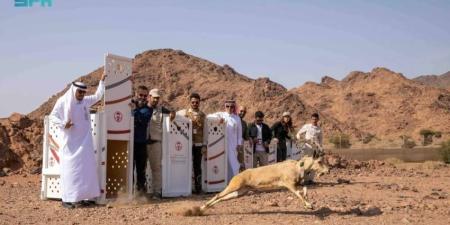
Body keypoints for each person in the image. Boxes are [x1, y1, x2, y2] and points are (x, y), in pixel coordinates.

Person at [49, 73, 106, 209]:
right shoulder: (63, 101)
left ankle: (83, 197)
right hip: (70, 145)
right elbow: (52, 116)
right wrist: (64, 124)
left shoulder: (85, 101)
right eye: (80, 92)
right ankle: (66, 199)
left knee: (85, 171)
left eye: (83, 92)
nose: (81, 94)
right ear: (74, 90)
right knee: (70, 172)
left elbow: (98, 96)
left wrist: (102, 81)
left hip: (85, 144)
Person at [176, 93, 208, 194]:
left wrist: (204, 145)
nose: (195, 104)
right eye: (193, 102)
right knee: (186, 165)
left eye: (196, 102)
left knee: (197, 166)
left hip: (198, 144)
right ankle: (186, 188)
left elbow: (205, 131)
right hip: (187, 143)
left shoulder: (203, 115)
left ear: (199, 102)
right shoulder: (184, 113)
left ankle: (198, 188)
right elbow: (175, 116)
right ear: (190, 102)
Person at [146, 88, 174, 199]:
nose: (156, 100)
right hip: (142, 142)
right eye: (154, 98)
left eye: (157, 98)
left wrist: (173, 114)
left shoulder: (161, 109)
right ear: (149, 97)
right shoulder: (142, 108)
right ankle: (141, 192)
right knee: (140, 168)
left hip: (155, 142)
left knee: (156, 168)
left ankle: (157, 192)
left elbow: (172, 112)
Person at [210, 100, 242, 182]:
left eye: (231, 107)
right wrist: (218, 121)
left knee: (234, 164)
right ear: (225, 107)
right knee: (223, 163)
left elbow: (239, 132)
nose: (229, 108)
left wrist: (239, 144)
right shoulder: (221, 115)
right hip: (221, 144)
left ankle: (235, 182)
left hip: (233, 145)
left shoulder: (237, 118)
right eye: (227, 106)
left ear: (234, 107)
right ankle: (223, 183)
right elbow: (209, 117)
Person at [129, 85, 152, 195]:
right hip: (129, 143)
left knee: (141, 170)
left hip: (141, 144)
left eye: (145, 96)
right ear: (135, 94)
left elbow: (143, 121)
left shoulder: (148, 109)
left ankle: (141, 195)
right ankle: (129, 194)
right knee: (129, 170)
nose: (142, 97)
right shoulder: (128, 105)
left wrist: (135, 110)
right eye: (140, 95)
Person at [296, 113, 324, 184]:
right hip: (306, 148)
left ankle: (310, 180)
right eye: (313, 119)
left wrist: (320, 148)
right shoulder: (307, 126)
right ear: (311, 119)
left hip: (315, 149)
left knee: (313, 164)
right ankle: (301, 179)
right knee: (303, 163)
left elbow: (320, 140)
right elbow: (298, 134)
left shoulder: (319, 129)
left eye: (315, 119)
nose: (314, 120)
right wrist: (301, 140)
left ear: (318, 119)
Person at [237, 106, 249, 170]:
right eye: (241, 111)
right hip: (231, 146)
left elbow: (246, 136)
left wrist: (250, 138)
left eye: (244, 112)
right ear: (237, 110)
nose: (242, 113)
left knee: (240, 164)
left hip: (240, 147)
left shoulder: (244, 123)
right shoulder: (232, 120)